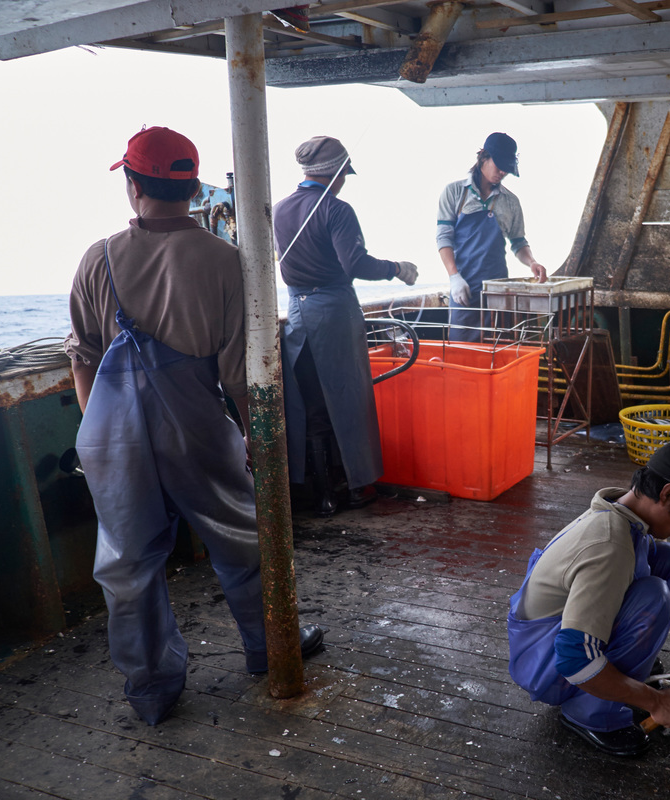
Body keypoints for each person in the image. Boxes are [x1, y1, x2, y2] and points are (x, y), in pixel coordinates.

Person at [66, 126, 323, 726]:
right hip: (200, 427)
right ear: (191, 188)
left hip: (116, 437)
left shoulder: (96, 258)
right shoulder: (228, 261)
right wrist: (259, 444)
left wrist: (98, 437)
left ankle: (152, 687)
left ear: (133, 187)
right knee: (242, 538)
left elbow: (81, 357)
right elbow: (241, 375)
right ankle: (271, 648)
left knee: (128, 565)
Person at [506, 441, 670, 757]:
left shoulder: (627, 517)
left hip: (559, 645)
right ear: (668, 494)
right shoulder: (610, 545)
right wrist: (655, 701)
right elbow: (574, 658)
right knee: (654, 597)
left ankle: (622, 679)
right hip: (547, 667)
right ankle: (591, 715)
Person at [273, 136, 419, 516]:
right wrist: (397, 269)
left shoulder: (279, 209)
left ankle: (322, 495)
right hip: (334, 312)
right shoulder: (336, 210)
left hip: (298, 316)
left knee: (312, 408)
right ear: (336, 173)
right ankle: (354, 488)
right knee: (349, 402)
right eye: (344, 175)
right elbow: (355, 264)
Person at [436, 132, 548, 341]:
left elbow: (518, 242)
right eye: (498, 166)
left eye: (506, 169)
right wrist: (454, 277)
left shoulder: (511, 202)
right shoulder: (454, 192)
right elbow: (443, 238)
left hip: (497, 294)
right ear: (483, 157)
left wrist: (532, 262)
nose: (502, 172)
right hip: (464, 291)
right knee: (462, 352)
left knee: (497, 350)